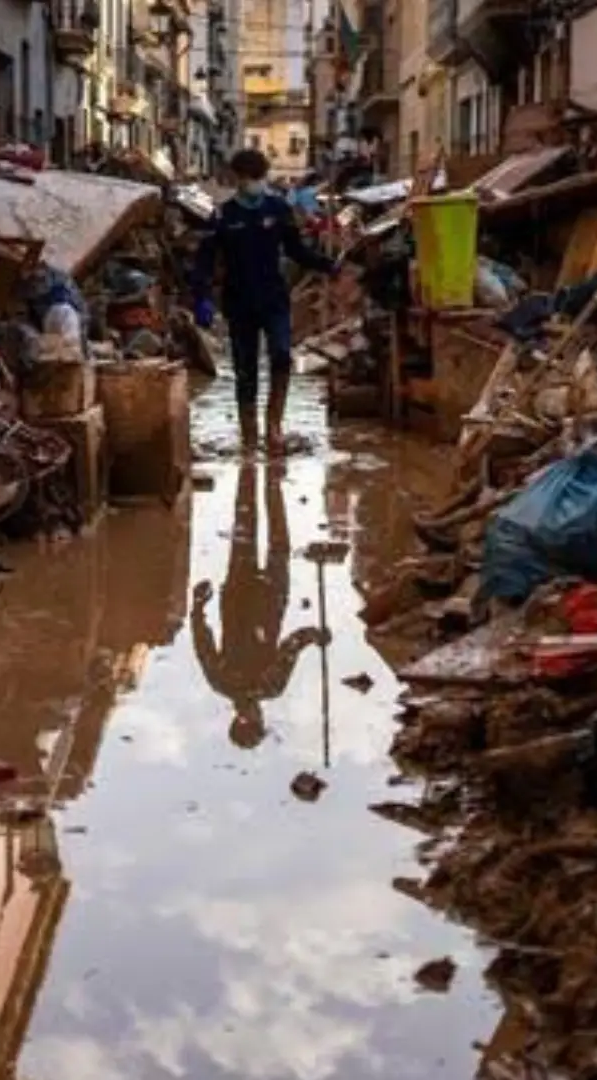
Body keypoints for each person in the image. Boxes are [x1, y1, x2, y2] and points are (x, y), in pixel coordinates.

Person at [191, 148, 339, 451]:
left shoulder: (278, 209)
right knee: (245, 370)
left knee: (282, 355)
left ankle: (274, 427)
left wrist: (327, 264)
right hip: (239, 302)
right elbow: (204, 262)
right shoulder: (223, 216)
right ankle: (248, 435)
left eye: (258, 177)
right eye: (248, 178)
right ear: (237, 178)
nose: (254, 183)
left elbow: (297, 250)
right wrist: (201, 298)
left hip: (274, 298)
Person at [190, 461, 329, 749]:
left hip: (240, 596)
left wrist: (198, 606)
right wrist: (313, 635)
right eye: (257, 720)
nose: (252, 714)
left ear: (239, 720)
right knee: (277, 537)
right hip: (270, 597)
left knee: (246, 522)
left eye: (251, 720)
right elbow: (290, 647)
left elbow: (203, 642)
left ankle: (249, 469)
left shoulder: (224, 682)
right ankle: (271, 480)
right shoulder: (270, 686)